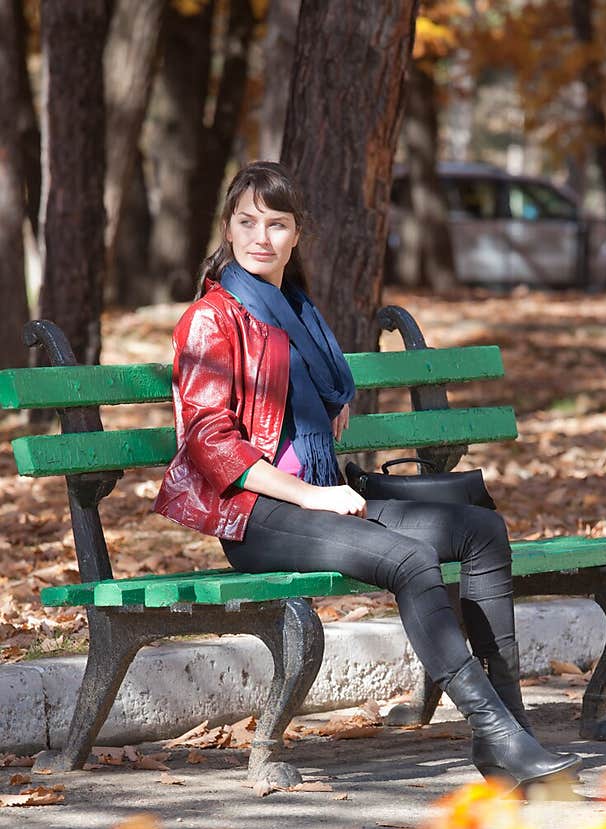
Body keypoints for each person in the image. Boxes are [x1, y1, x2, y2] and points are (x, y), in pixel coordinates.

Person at [153, 161, 582, 791]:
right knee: (410, 560)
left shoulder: (296, 313)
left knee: (481, 531)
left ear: (297, 235)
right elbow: (211, 444)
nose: (261, 237)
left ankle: (512, 733)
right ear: (227, 227)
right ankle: (494, 731)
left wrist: (326, 417)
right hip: (261, 515)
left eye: (277, 224)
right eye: (247, 222)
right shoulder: (212, 320)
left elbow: (316, 397)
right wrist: (310, 493)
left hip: (323, 498)